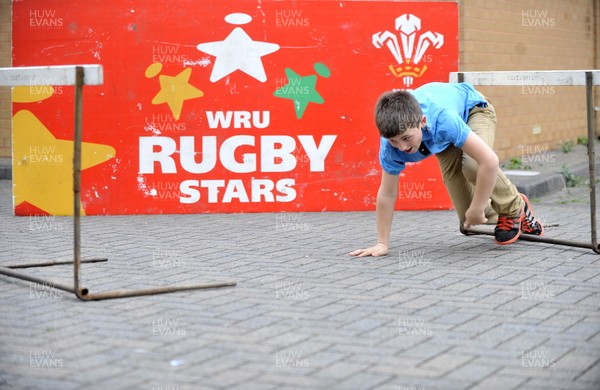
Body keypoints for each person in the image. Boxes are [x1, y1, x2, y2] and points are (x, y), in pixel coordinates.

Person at [349, 82, 544, 257]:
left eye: (407, 138)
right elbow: (388, 193)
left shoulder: (443, 119)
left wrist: (477, 207)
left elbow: (489, 161)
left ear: (422, 122)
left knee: (473, 165)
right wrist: (382, 243)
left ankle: (515, 208)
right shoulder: (389, 148)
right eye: (394, 141)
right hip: (441, 139)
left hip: (473, 110)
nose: (402, 147)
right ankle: (501, 212)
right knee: (468, 218)